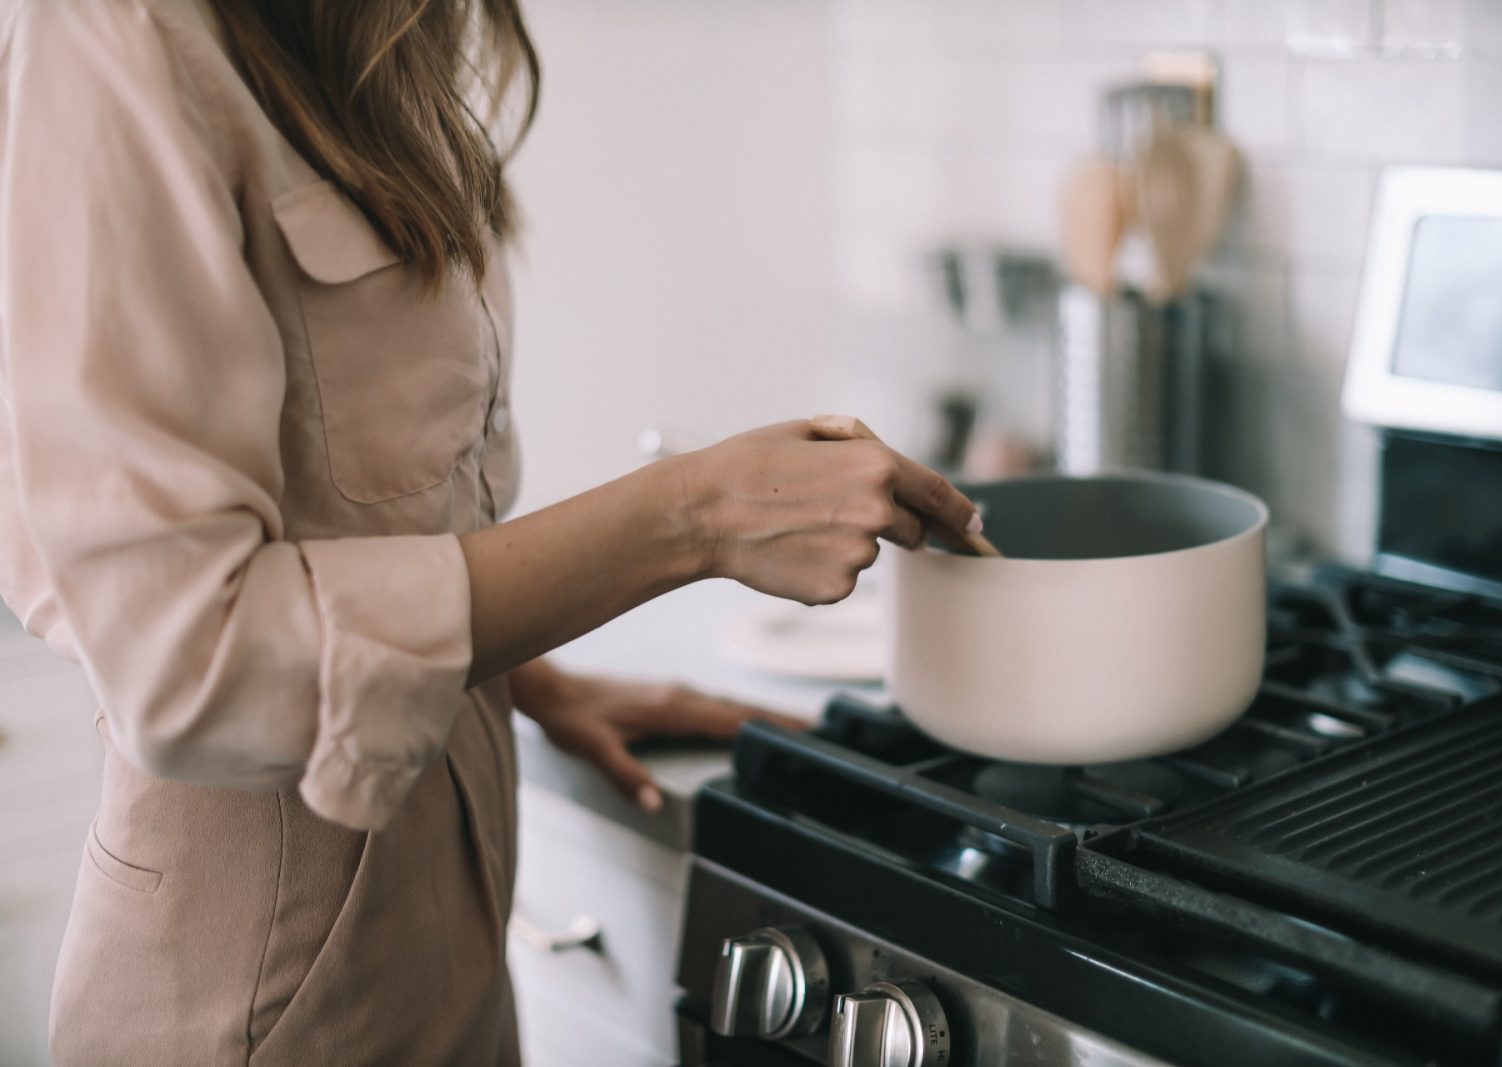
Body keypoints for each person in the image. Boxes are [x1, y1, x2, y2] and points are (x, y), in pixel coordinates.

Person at [0, 1, 980, 1063]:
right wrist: (690, 515)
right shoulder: (111, 30)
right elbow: (186, 659)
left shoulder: (387, 32)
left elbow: (366, 520)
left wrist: (517, 677)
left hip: (445, 942)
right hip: (257, 995)